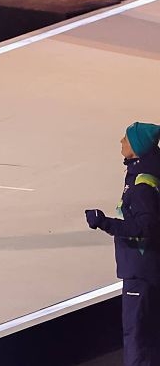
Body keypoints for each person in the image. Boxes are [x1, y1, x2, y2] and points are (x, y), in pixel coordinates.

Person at [85, 121, 160, 366]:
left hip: (140, 271)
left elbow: (143, 227)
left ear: (137, 147)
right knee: (149, 337)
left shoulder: (141, 185)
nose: (121, 141)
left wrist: (103, 222)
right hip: (148, 268)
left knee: (137, 337)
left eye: (126, 139)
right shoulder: (147, 173)